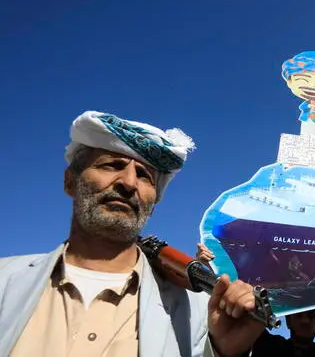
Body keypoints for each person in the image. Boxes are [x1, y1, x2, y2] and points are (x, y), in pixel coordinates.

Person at [0, 111, 227, 357]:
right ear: (69, 181)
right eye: (112, 165)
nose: (129, 183)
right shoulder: (6, 280)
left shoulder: (197, 313)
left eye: (144, 176)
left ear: (154, 203)